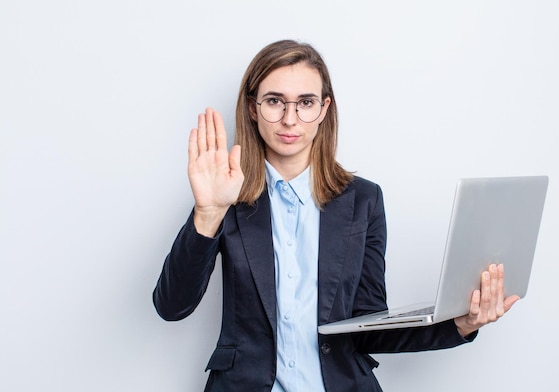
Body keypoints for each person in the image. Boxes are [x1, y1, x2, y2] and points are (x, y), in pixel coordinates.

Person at [153, 39, 519, 391]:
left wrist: (462, 323)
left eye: (306, 102)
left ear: (324, 109)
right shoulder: (226, 192)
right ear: (253, 108)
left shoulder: (364, 200)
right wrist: (209, 212)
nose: (289, 119)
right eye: (274, 101)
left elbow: (370, 324)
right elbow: (172, 306)